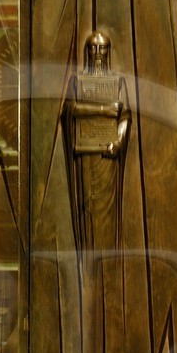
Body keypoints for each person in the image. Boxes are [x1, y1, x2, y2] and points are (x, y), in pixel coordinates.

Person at [63, 31, 131, 268]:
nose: (97, 53)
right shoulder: (77, 81)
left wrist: (119, 141)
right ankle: (88, 259)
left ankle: (106, 262)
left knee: (106, 212)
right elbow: (70, 109)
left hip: (107, 157)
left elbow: (124, 115)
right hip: (86, 156)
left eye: (102, 49)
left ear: (108, 52)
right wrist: (103, 110)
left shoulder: (118, 82)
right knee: (87, 207)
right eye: (92, 48)